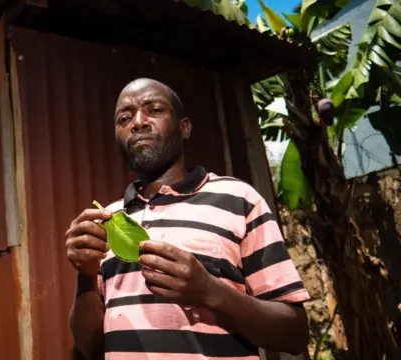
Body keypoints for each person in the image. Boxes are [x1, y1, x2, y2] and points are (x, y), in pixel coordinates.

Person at [65, 78, 310, 360]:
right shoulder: (107, 220)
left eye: (154, 110)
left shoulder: (238, 199)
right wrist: (85, 276)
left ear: (185, 127)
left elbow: (295, 334)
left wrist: (210, 292)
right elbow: (90, 347)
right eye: (125, 117)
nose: (139, 122)